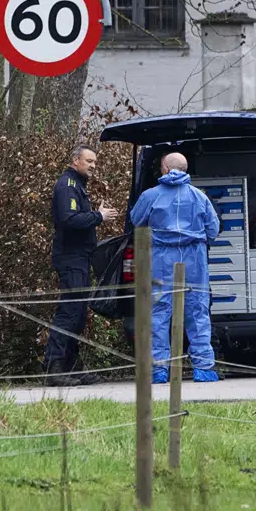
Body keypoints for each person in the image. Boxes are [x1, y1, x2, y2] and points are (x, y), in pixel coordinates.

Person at [130, 152, 221, 383]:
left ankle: (159, 370)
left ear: (165, 169)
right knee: (198, 311)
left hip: (161, 258)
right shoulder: (200, 197)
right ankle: (204, 368)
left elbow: (136, 219)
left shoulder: (150, 196)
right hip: (194, 258)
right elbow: (213, 230)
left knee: (159, 313)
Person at [46, 145, 119, 386]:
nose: (93, 166)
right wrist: (99, 217)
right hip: (71, 258)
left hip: (80, 258)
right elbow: (69, 220)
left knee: (78, 315)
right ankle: (54, 367)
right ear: (76, 160)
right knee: (69, 312)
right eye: (89, 161)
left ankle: (72, 366)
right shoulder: (67, 186)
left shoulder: (77, 185)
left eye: (95, 162)